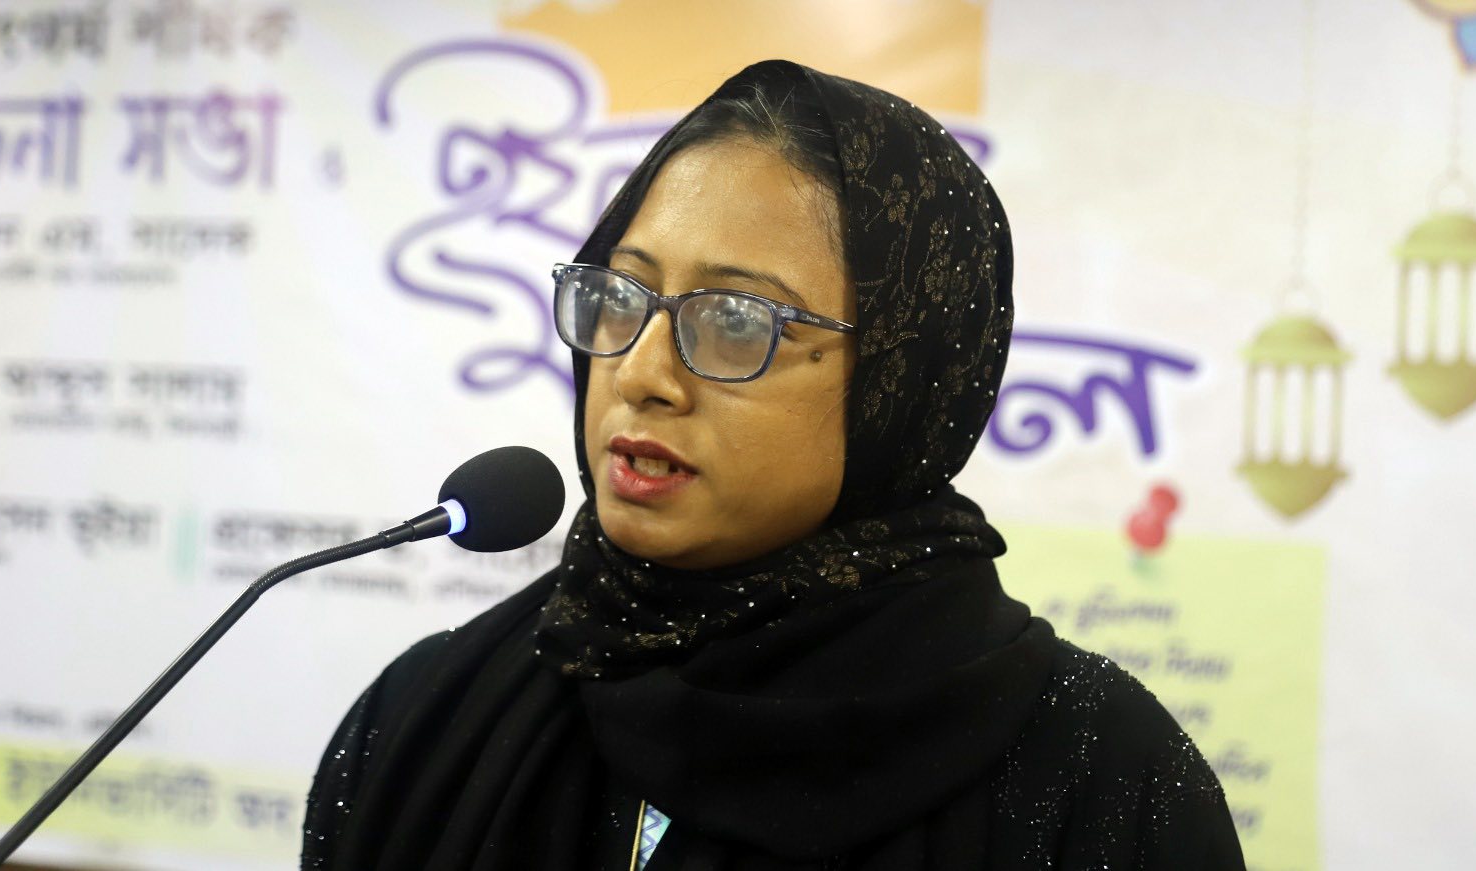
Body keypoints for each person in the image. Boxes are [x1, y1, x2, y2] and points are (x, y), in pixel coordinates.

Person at [301, 60, 1246, 870]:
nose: (641, 374)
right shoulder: (429, 718)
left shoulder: (1102, 786)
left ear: (901, 380)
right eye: (623, 294)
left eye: (736, 319)